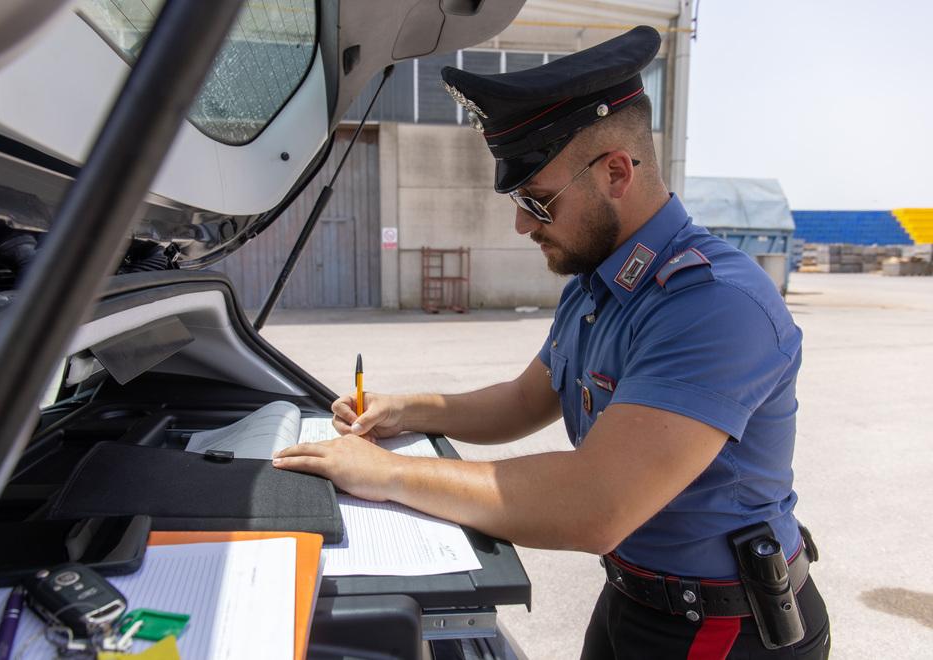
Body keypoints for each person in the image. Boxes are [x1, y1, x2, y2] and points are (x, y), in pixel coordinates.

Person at [273, 26, 830, 659]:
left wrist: (389, 474)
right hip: (634, 598)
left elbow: (596, 504)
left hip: (724, 629)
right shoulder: (598, 284)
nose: (519, 224)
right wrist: (405, 409)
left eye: (537, 202)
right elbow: (521, 401)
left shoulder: (712, 304)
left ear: (616, 171)